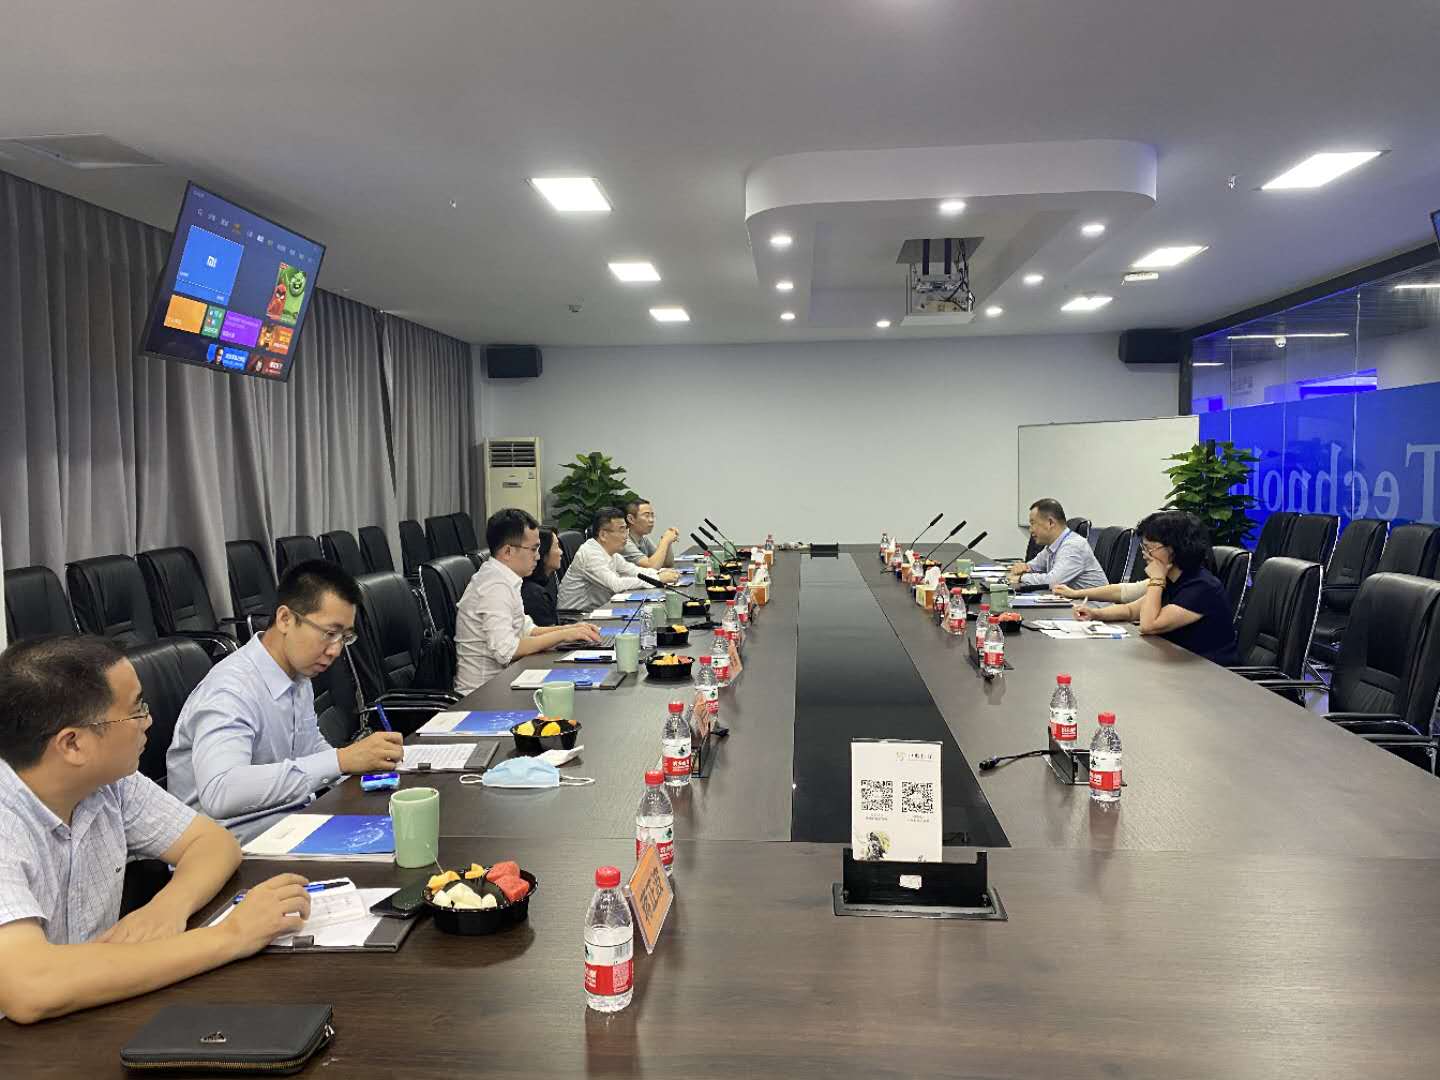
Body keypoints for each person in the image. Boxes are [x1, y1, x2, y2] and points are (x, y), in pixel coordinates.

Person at [0, 636, 314, 1024]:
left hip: (91, 1012)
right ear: (73, 745)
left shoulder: (110, 782)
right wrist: (233, 935)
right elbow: (31, 986)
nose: (148, 721)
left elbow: (213, 843)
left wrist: (168, 906)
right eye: (136, 710)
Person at [167, 560, 405, 841]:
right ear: (285, 619)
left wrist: (367, 770)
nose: (336, 650)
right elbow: (221, 790)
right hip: (228, 847)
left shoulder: (298, 674)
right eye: (330, 634)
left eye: (345, 637)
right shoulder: (230, 690)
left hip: (290, 825)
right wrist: (342, 760)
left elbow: (309, 747)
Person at [455, 509, 602, 694]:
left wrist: (571, 629)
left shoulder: (506, 578)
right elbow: (507, 651)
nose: (538, 556)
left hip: (507, 680)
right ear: (508, 551)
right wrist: (564, 635)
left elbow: (528, 631)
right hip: (483, 694)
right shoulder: (494, 586)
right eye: (533, 549)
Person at [1075, 510, 1240, 664]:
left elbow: (1149, 625)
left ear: (1174, 548)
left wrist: (1156, 579)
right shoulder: (1173, 579)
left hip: (1208, 671)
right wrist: (1095, 614)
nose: (1144, 554)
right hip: (1175, 661)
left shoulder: (1202, 587)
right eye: (1143, 547)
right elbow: (1130, 610)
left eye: (1149, 548)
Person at [558, 506, 680, 612]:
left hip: (598, 611)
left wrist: (660, 573)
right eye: (622, 530)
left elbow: (634, 571)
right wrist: (657, 579)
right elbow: (616, 584)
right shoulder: (590, 554)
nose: (626, 535)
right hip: (575, 619)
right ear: (603, 535)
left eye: (626, 529)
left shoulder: (611, 552)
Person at [1008, 499, 1108, 591]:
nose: (1030, 530)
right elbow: (1032, 566)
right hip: (1073, 602)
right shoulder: (1052, 546)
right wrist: (1023, 567)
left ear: (1050, 522)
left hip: (1091, 603)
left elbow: (1053, 582)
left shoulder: (1073, 546)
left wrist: (1021, 578)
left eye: (1033, 523)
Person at [621, 498, 679, 569]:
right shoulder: (624, 542)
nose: (651, 520)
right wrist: (665, 541)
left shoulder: (643, 538)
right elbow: (652, 566)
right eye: (647, 516)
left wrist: (667, 542)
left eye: (652, 516)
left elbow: (666, 564)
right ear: (631, 519)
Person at [522, 527, 563, 627]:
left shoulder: (541, 584)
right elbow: (551, 634)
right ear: (544, 553)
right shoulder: (534, 595)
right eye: (556, 547)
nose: (561, 552)